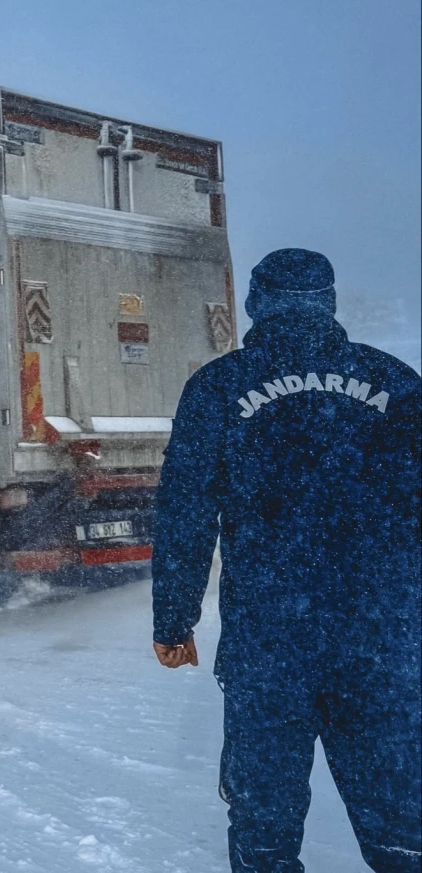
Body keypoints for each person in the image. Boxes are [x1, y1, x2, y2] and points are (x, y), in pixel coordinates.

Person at [151, 248, 421, 873]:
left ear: (256, 302)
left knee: (264, 829)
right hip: (381, 642)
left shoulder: (220, 386)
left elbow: (185, 514)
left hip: (270, 646)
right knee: (402, 827)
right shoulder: (397, 382)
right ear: (329, 303)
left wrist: (173, 620)